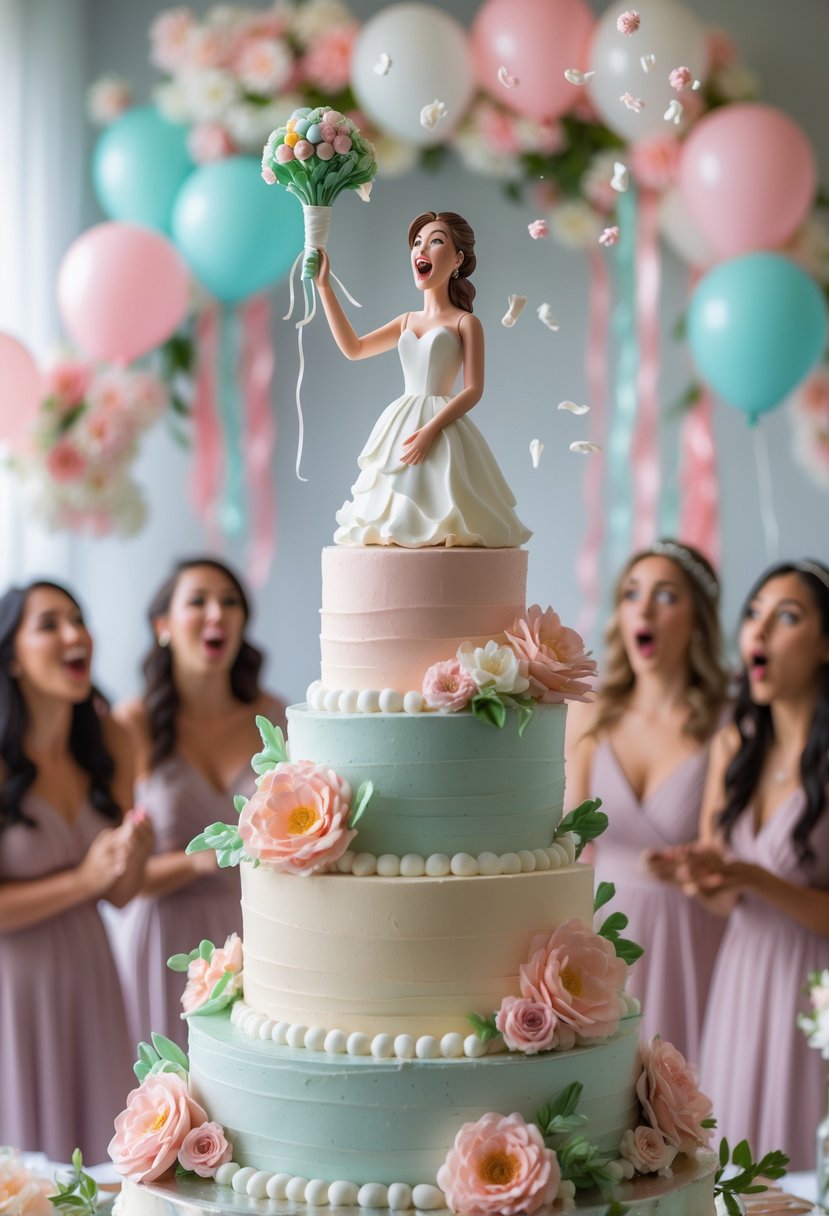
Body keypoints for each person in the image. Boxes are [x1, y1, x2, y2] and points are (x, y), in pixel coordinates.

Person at [653, 559, 829, 1169]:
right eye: (753, 614)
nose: (759, 631)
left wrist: (755, 877)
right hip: (740, 978)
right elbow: (723, 899)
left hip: (814, 989)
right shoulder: (736, 746)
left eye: (787, 617)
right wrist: (700, 875)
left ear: (826, 643)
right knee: (733, 1165)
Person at [0, 580, 153, 1162]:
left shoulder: (110, 738)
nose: (74, 634)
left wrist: (129, 860)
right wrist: (84, 881)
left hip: (91, 973)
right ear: (12, 657)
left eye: (78, 618)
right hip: (14, 984)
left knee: (97, 1156)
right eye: (49, 624)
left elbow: (121, 896)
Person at [112, 557, 286, 1050]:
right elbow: (119, 877)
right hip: (160, 940)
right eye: (198, 601)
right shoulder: (133, 725)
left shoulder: (274, 716)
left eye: (230, 602)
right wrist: (201, 861)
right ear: (163, 626)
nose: (218, 613)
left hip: (251, 932)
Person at [565, 540, 729, 1060]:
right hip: (603, 936)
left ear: (698, 620)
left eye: (666, 595)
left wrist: (688, 869)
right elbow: (566, 845)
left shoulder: (727, 723)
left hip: (694, 936)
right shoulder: (590, 714)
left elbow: (721, 854)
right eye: (632, 593)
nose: (644, 608)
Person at [317, 209, 531, 548]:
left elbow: (474, 389)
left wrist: (431, 430)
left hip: (443, 426)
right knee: (391, 501)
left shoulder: (465, 323)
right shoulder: (406, 321)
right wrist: (325, 287)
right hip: (401, 420)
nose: (422, 250)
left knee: (447, 497)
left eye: (435, 242)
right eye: (418, 243)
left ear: (458, 258)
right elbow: (353, 348)